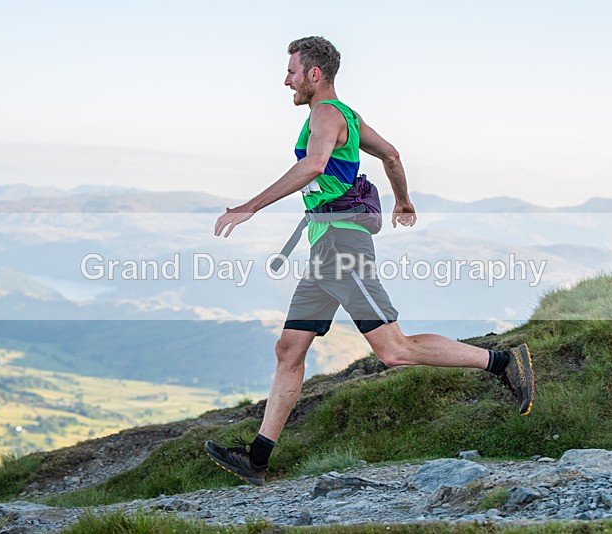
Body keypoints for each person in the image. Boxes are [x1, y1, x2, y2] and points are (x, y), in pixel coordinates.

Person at [205, 36, 534, 486]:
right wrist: (403, 201)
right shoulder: (350, 118)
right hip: (325, 250)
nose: (287, 80)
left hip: (342, 248)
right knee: (289, 349)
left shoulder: (324, 113)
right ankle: (257, 460)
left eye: (292, 71)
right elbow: (392, 155)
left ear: (314, 74)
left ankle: (502, 363)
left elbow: (315, 165)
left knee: (394, 350)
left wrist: (250, 206)